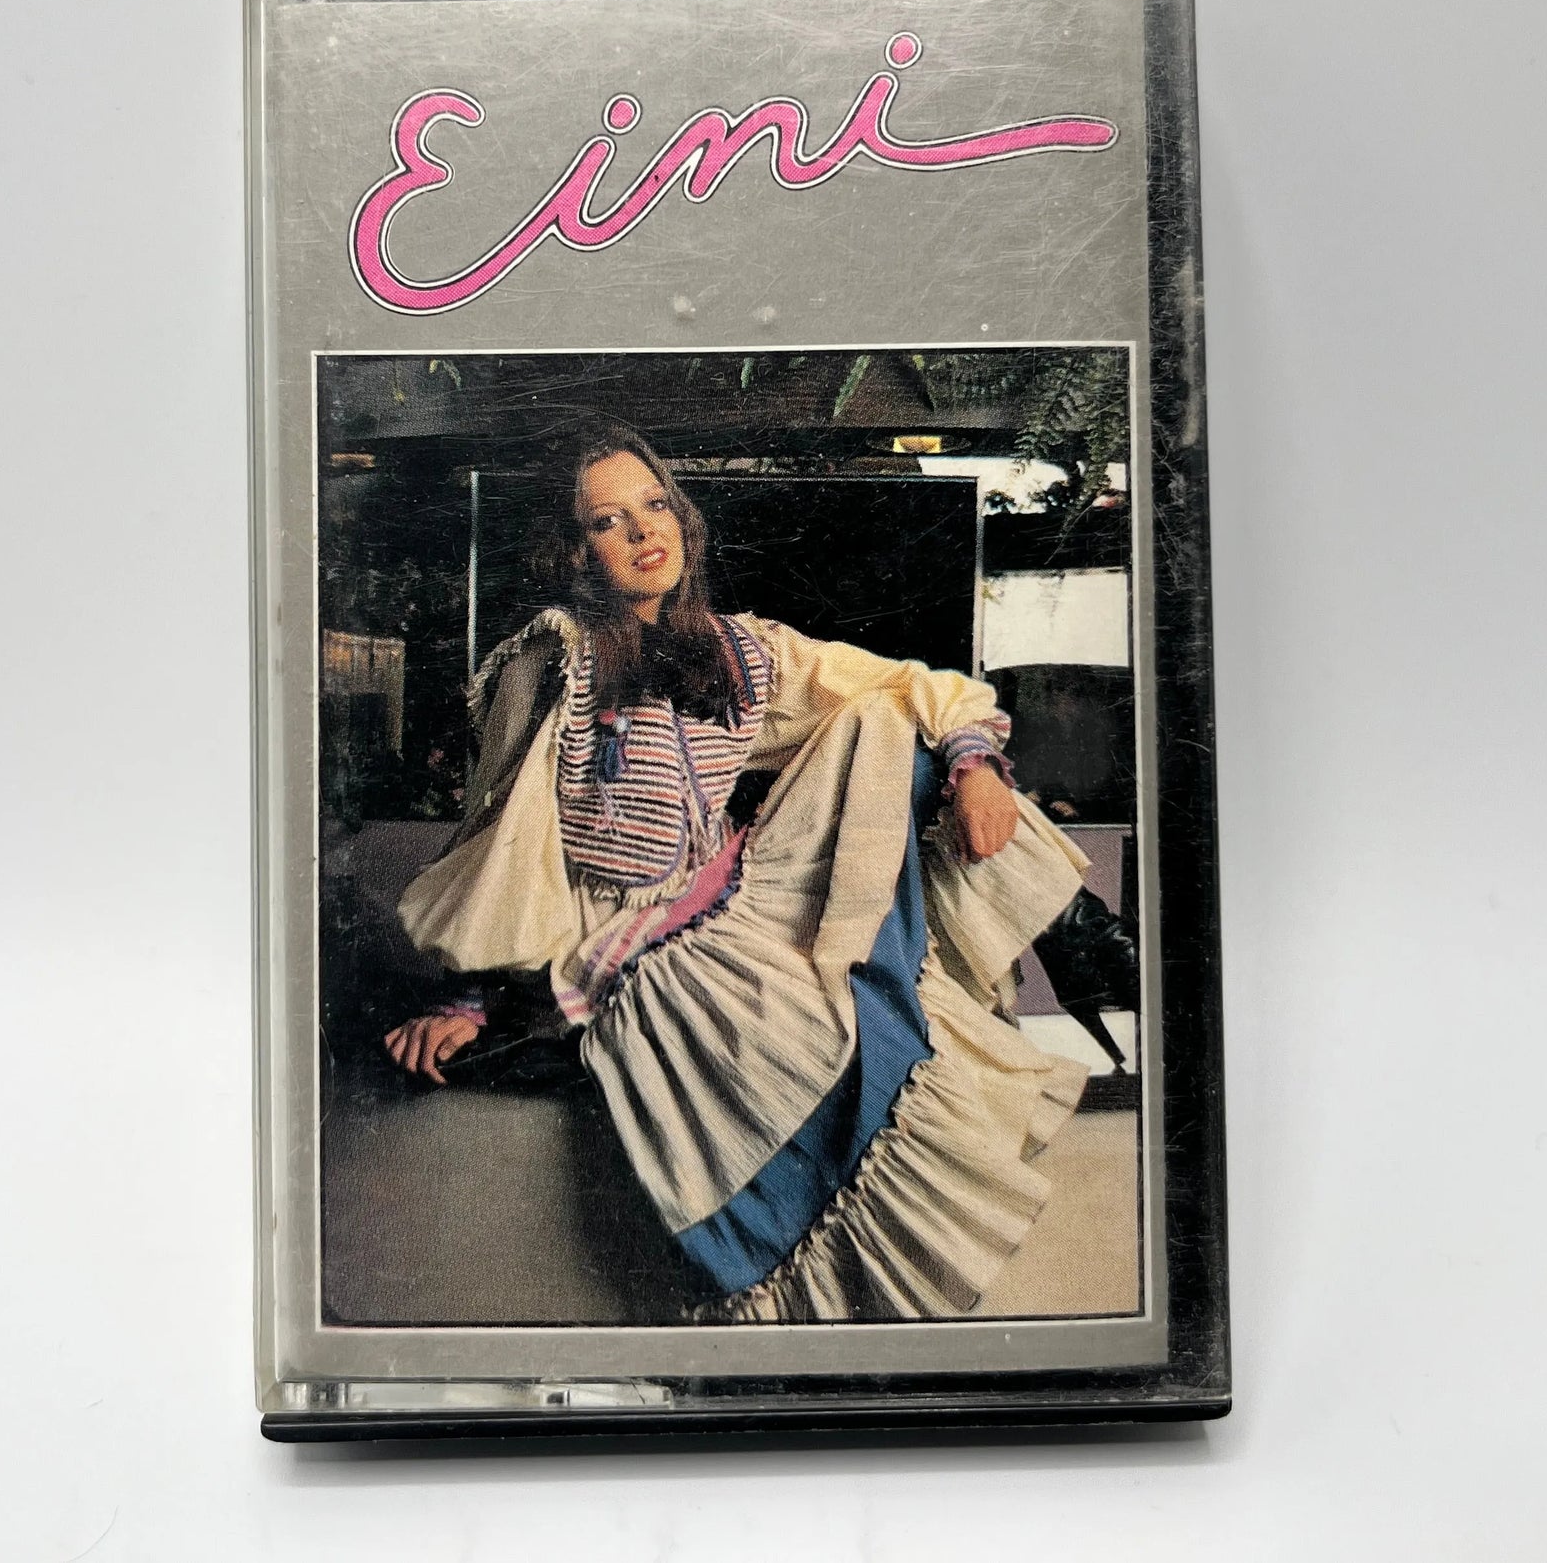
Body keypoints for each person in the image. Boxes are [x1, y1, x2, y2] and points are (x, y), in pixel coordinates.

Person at [382, 428, 1093, 1322]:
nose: (645, 532)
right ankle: (1079, 939)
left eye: (656, 506)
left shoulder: (739, 649)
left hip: (730, 889)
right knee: (805, 1033)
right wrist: (467, 998)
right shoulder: (555, 657)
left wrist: (974, 764)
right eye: (609, 520)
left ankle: (1079, 929)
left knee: (888, 722)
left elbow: (908, 685)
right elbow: (498, 837)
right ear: (575, 552)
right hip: (621, 942)